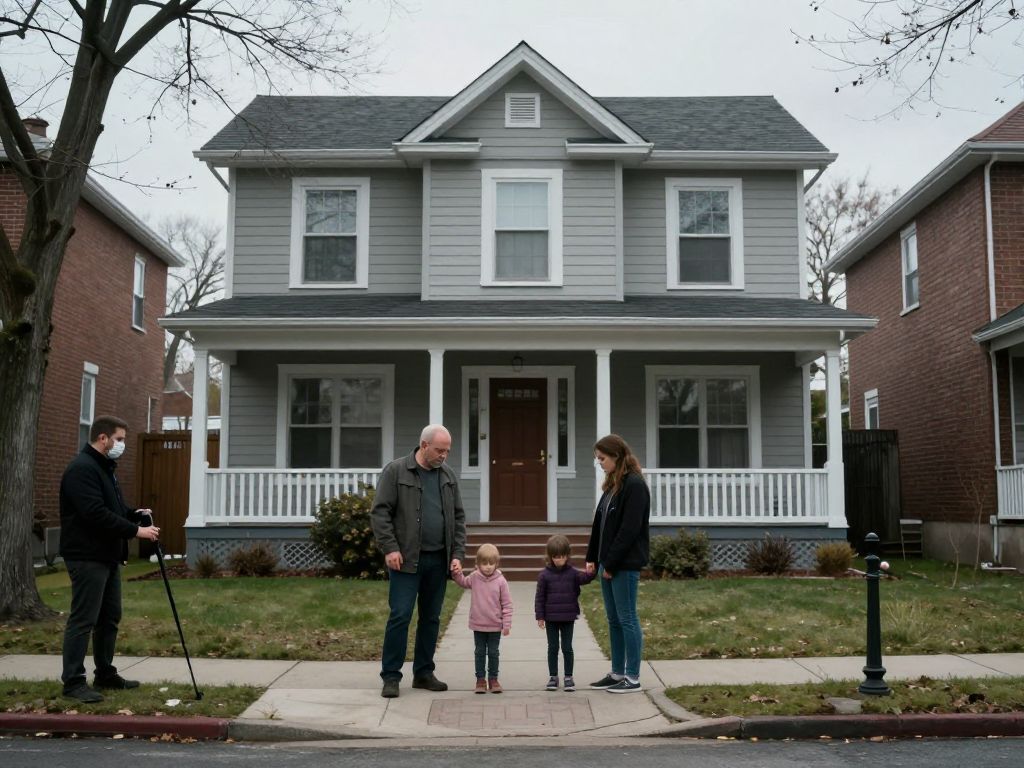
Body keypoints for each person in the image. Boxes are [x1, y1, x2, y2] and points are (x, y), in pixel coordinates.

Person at [59, 415, 161, 703]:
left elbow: (111, 507)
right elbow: (94, 513)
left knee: (109, 617)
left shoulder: (104, 468)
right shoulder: (82, 469)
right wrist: (135, 531)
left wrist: (132, 513)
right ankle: (73, 682)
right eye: (119, 439)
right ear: (102, 438)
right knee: (84, 618)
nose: (122, 445)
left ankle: (105, 672)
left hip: (106, 555)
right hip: (87, 555)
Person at [371, 424, 466, 698]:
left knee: (431, 618)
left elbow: (459, 518)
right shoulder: (396, 471)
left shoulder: (447, 476)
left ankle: (424, 673)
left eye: (447, 451)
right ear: (424, 446)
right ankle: (391, 676)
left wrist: (457, 554)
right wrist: (389, 548)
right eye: (439, 450)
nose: (444, 456)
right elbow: (380, 513)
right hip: (406, 560)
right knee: (400, 615)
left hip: (439, 559)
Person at [586, 434, 651, 693]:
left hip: (623, 564)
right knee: (613, 619)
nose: (599, 463)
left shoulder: (634, 485)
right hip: (606, 562)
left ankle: (632, 677)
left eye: (602, 458)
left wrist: (611, 563)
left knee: (627, 619)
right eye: (597, 459)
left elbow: (629, 530)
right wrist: (592, 557)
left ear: (616, 456)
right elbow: (599, 525)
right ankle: (617, 672)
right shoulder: (613, 486)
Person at [535, 533, 596, 692]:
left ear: (567, 555)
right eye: (555, 557)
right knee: (553, 647)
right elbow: (539, 598)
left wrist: (591, 572)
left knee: (567, 647)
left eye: (562, 556)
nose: (559, 560)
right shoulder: (544, 576)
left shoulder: (573, 573)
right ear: (550, 556)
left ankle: (568, 676)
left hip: (568, 617)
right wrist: (540, 616)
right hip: (551, 618)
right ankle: (553, 677)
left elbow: (585, 579)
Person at [451, 543, 513, 693]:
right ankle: (480, 680)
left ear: (496, 563)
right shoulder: (474, 577)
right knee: (479, 652)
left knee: (493, 652)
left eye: (491, 563)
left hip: (495, 625)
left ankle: (493, 679)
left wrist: (507, 624)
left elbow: (507, 604)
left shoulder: (500, 581)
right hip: (478, 624)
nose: (488, 567)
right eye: (484, 563)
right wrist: (456, 573)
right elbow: (463, 582)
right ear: (477, 564)